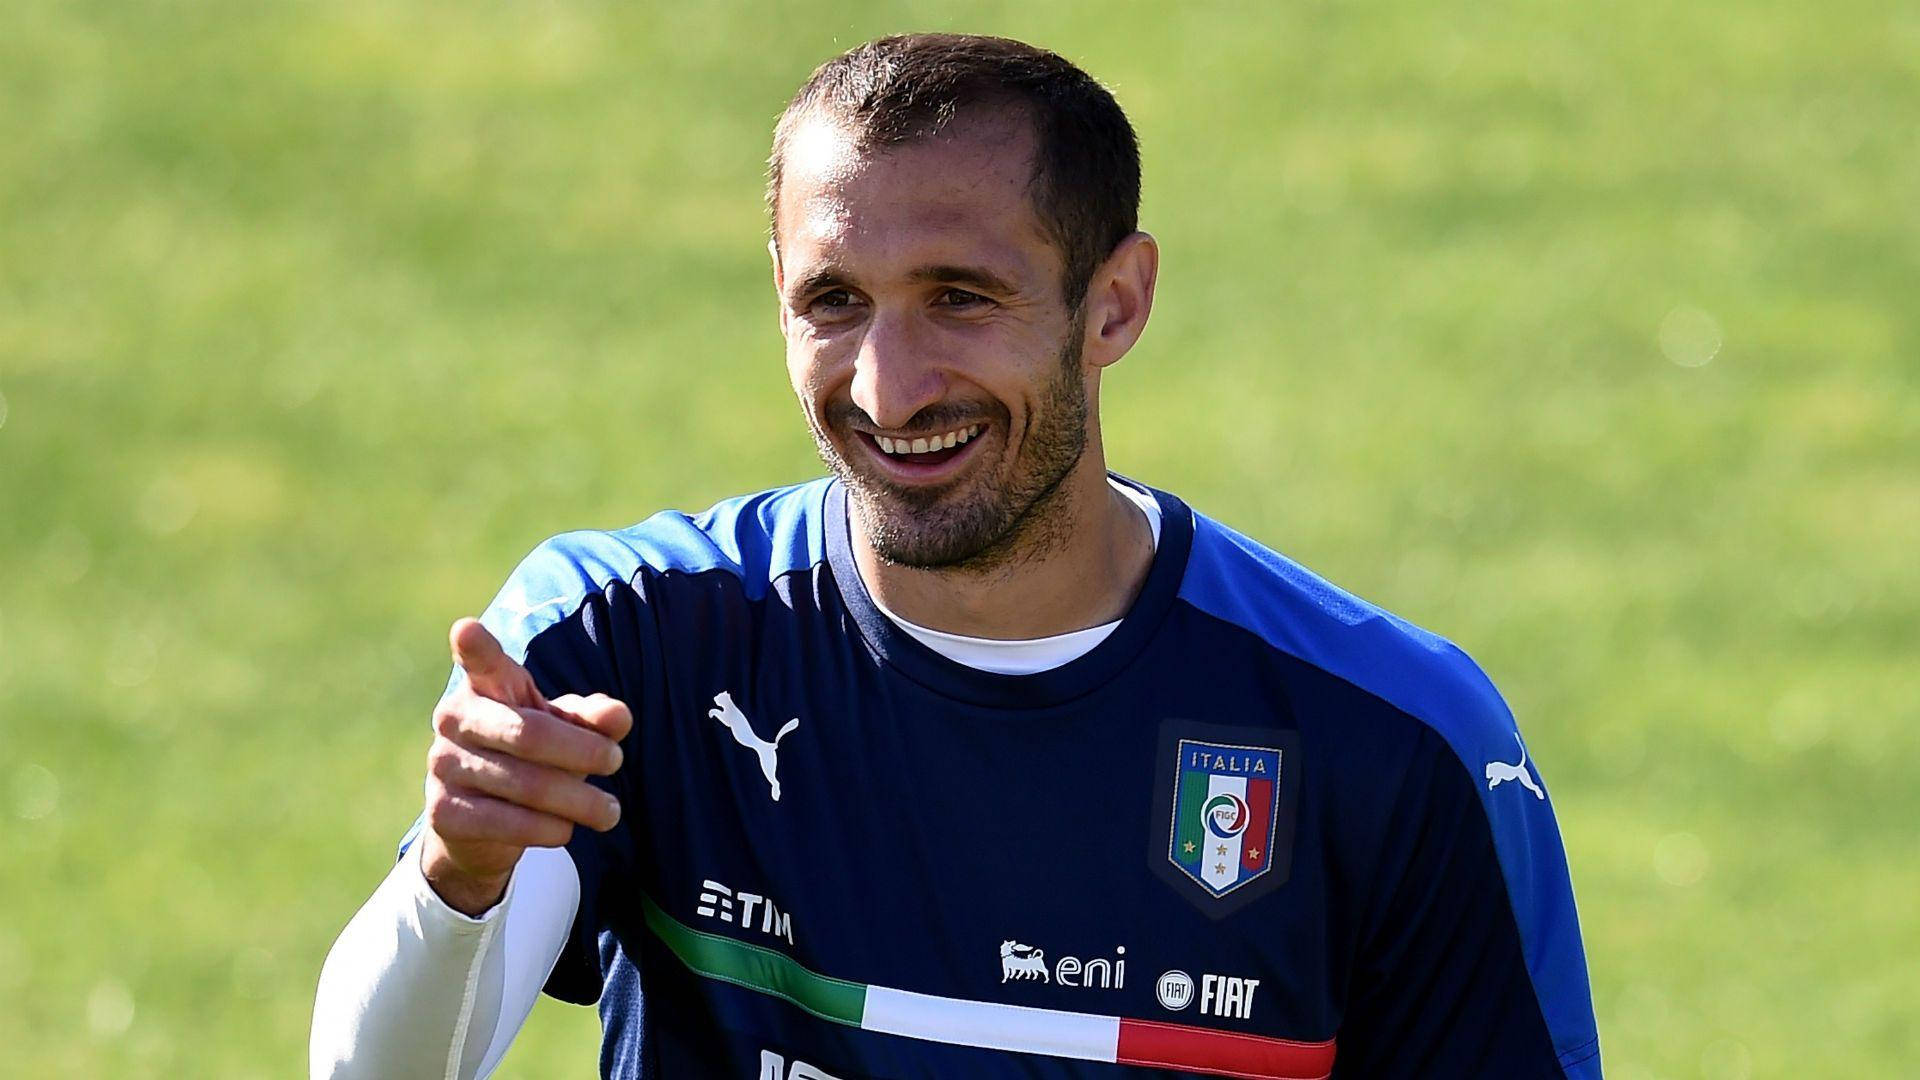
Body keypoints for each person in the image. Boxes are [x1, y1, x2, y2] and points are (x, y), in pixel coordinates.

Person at [311, 32, 1602, 1080]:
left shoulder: (1392, 742)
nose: (889, 386)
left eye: (960, 298)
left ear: (1116, 303)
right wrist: (459, 876)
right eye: (835, 302)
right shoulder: (627, 642)